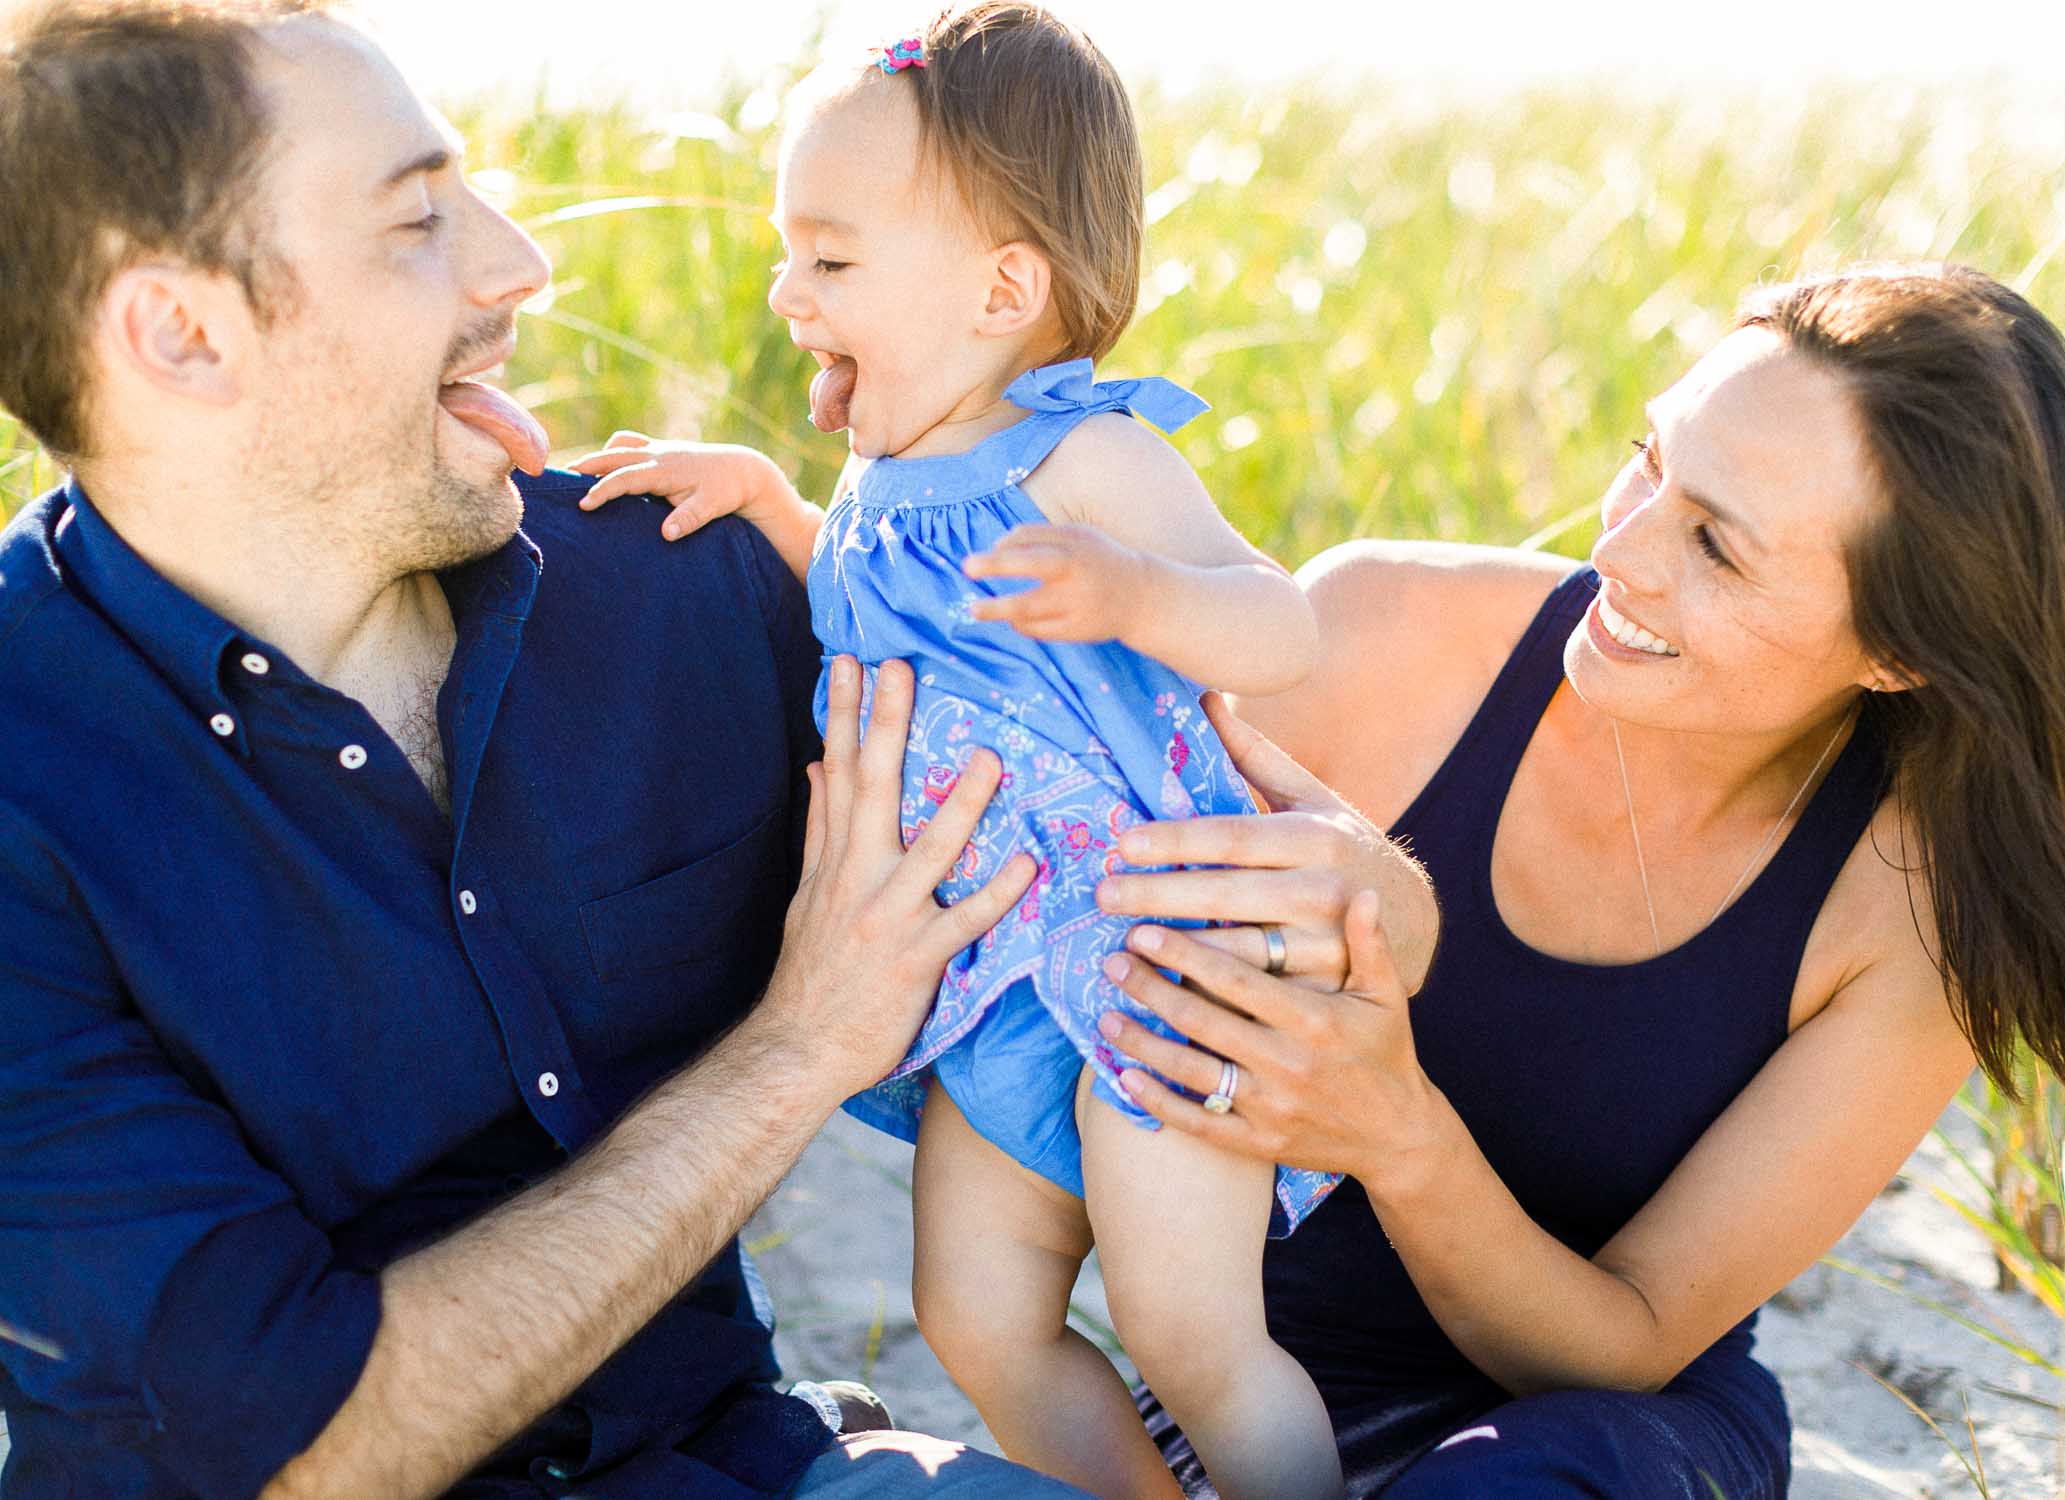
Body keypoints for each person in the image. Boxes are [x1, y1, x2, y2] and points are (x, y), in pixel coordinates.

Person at [0, 3, 1438, 1496]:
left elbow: (1099, 731)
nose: (521, 263)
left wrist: (1372, 894)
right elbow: (297, 1446)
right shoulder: (25, 790)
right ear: (180, 332)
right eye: (420, 216)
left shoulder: (673, 577)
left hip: (751, 1463)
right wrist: (800, 1044)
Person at [1091, 265, 2065, 1496]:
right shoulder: (1373, 631)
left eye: (1716, 546)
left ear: (1899, 651)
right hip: (1253, 1406)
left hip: (1611, 1439)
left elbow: (1636, 1338)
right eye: (1650, 459)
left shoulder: (1915, 915)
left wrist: (1398, 1134)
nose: (1620, 548)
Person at [574, 9, 1343, 1497]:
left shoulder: (1083, 455)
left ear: (1003, 288)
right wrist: (775, 508)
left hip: (1148, 967)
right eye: (789, 250)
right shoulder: (879, 472)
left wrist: (1138, 595)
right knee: (976, 1317)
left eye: (833, 257)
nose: (789, 290)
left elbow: (1280, 626)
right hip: (990, 979)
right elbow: (882, 626)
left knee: (1191, 1333)